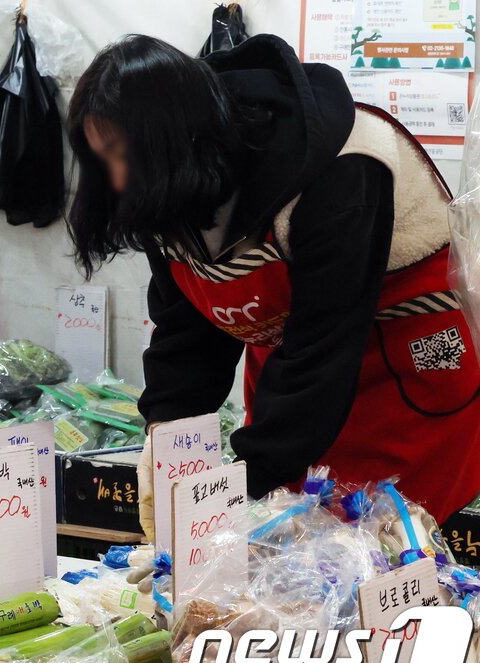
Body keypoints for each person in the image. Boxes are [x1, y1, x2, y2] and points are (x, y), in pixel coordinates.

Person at [65, 33, 480, 521]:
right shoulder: (166, 178)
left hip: (397, 365)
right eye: (102, 160)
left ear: (181, 134)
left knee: (381, 541)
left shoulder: (343, 166)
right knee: (290, 547)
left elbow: (323, 345)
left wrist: (246, 485)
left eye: (122, 155)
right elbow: (188, 327)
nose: (117, 181)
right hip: (294, 368)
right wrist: (166, 433)